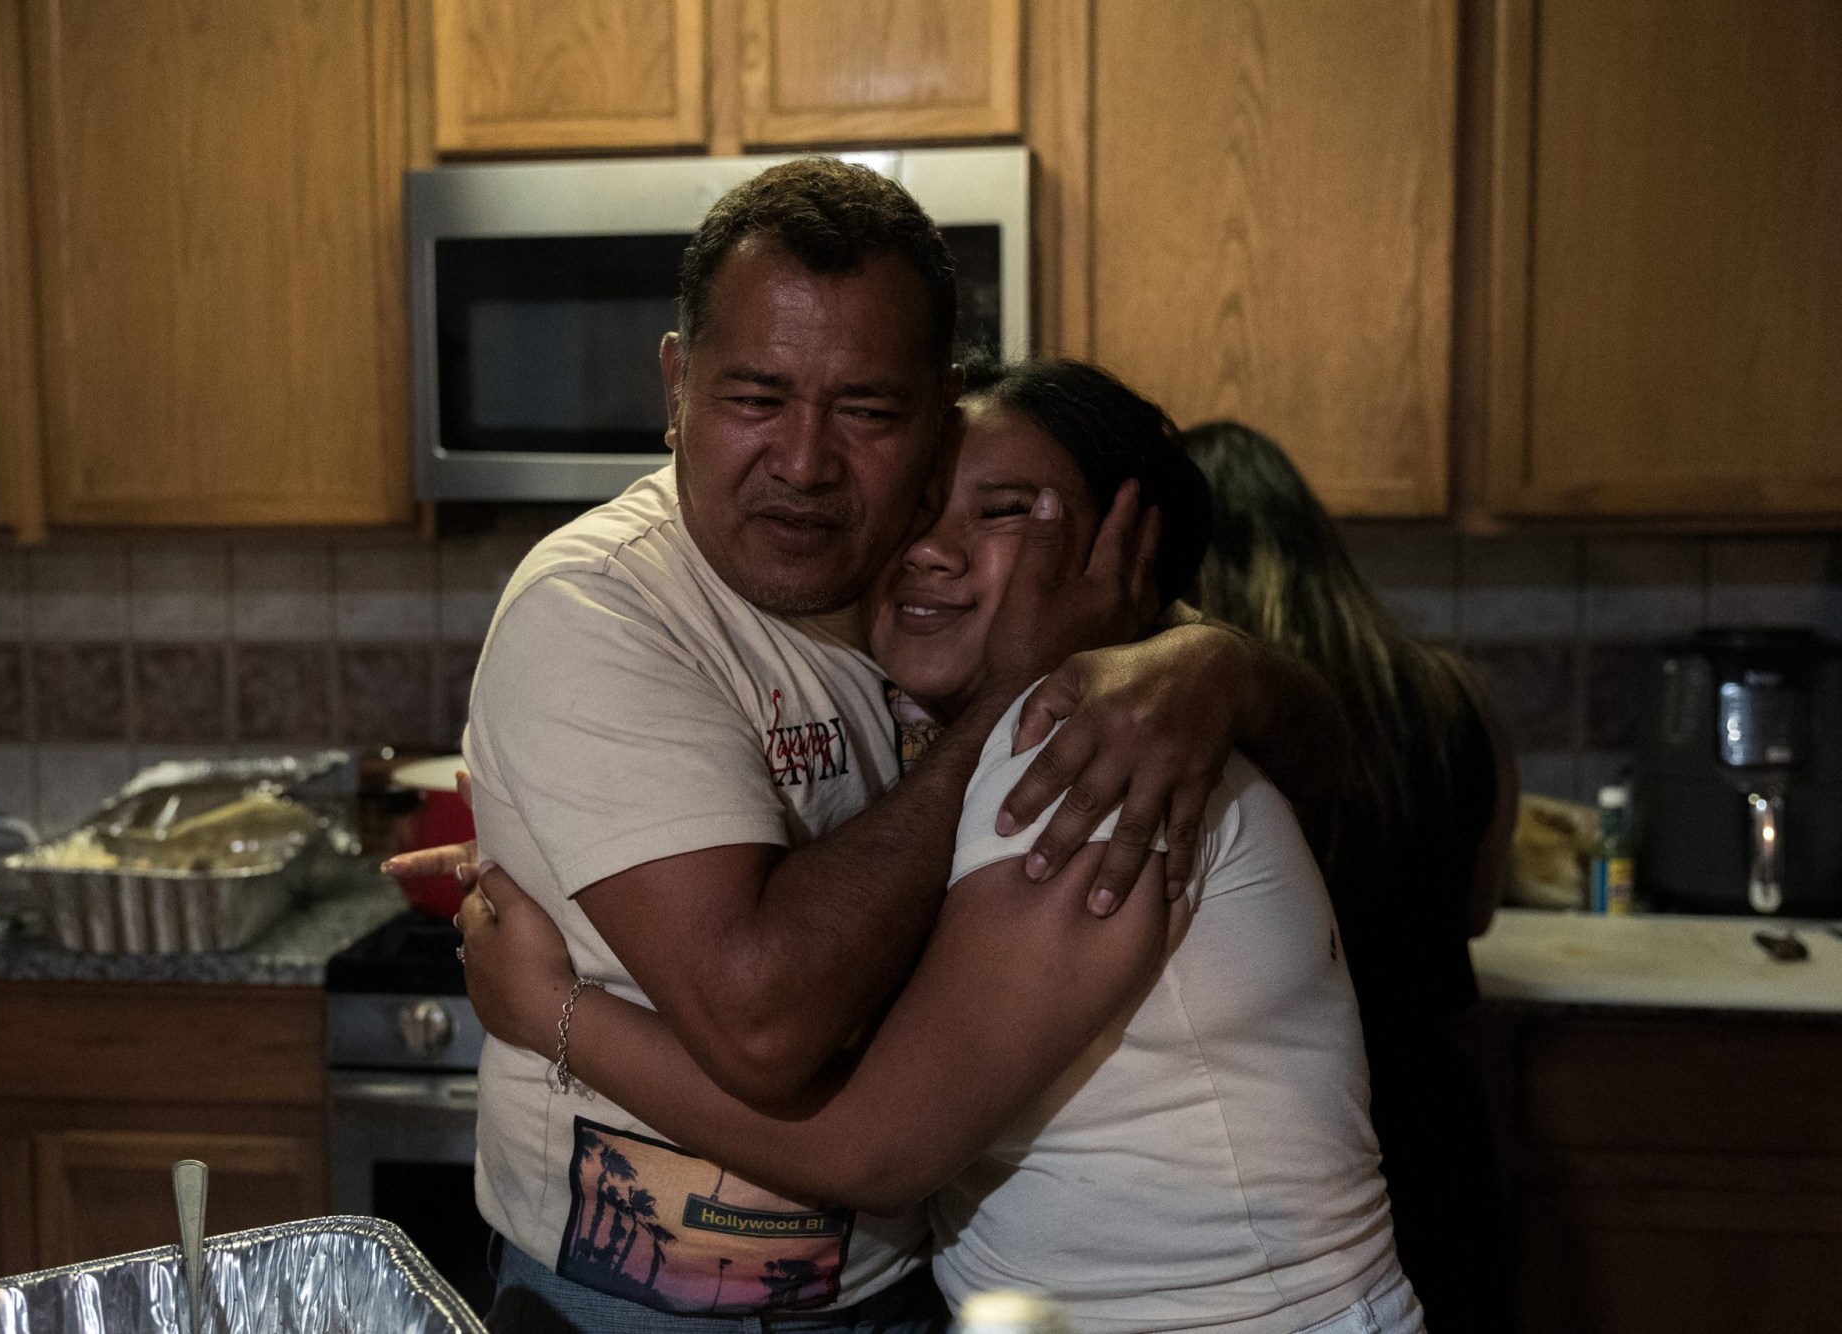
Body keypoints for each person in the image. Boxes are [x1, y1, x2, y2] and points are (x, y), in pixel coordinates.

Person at [449, 157, 1348, 1334]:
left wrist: (1219, 661)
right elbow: (762, 1023)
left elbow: (1329, 752)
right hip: (646, 1304)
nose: (807, 459)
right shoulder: (604, 605)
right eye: (753, 397)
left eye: (867, 411)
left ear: (937, 412)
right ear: (676, 385)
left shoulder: (956, 609)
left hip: (917, 1285)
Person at [1186, 421, 1517, 1333]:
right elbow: (1480, 908)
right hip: (1432, 1117)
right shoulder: (1449, 691)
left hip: (1283, 1140)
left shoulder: (1204, 732)